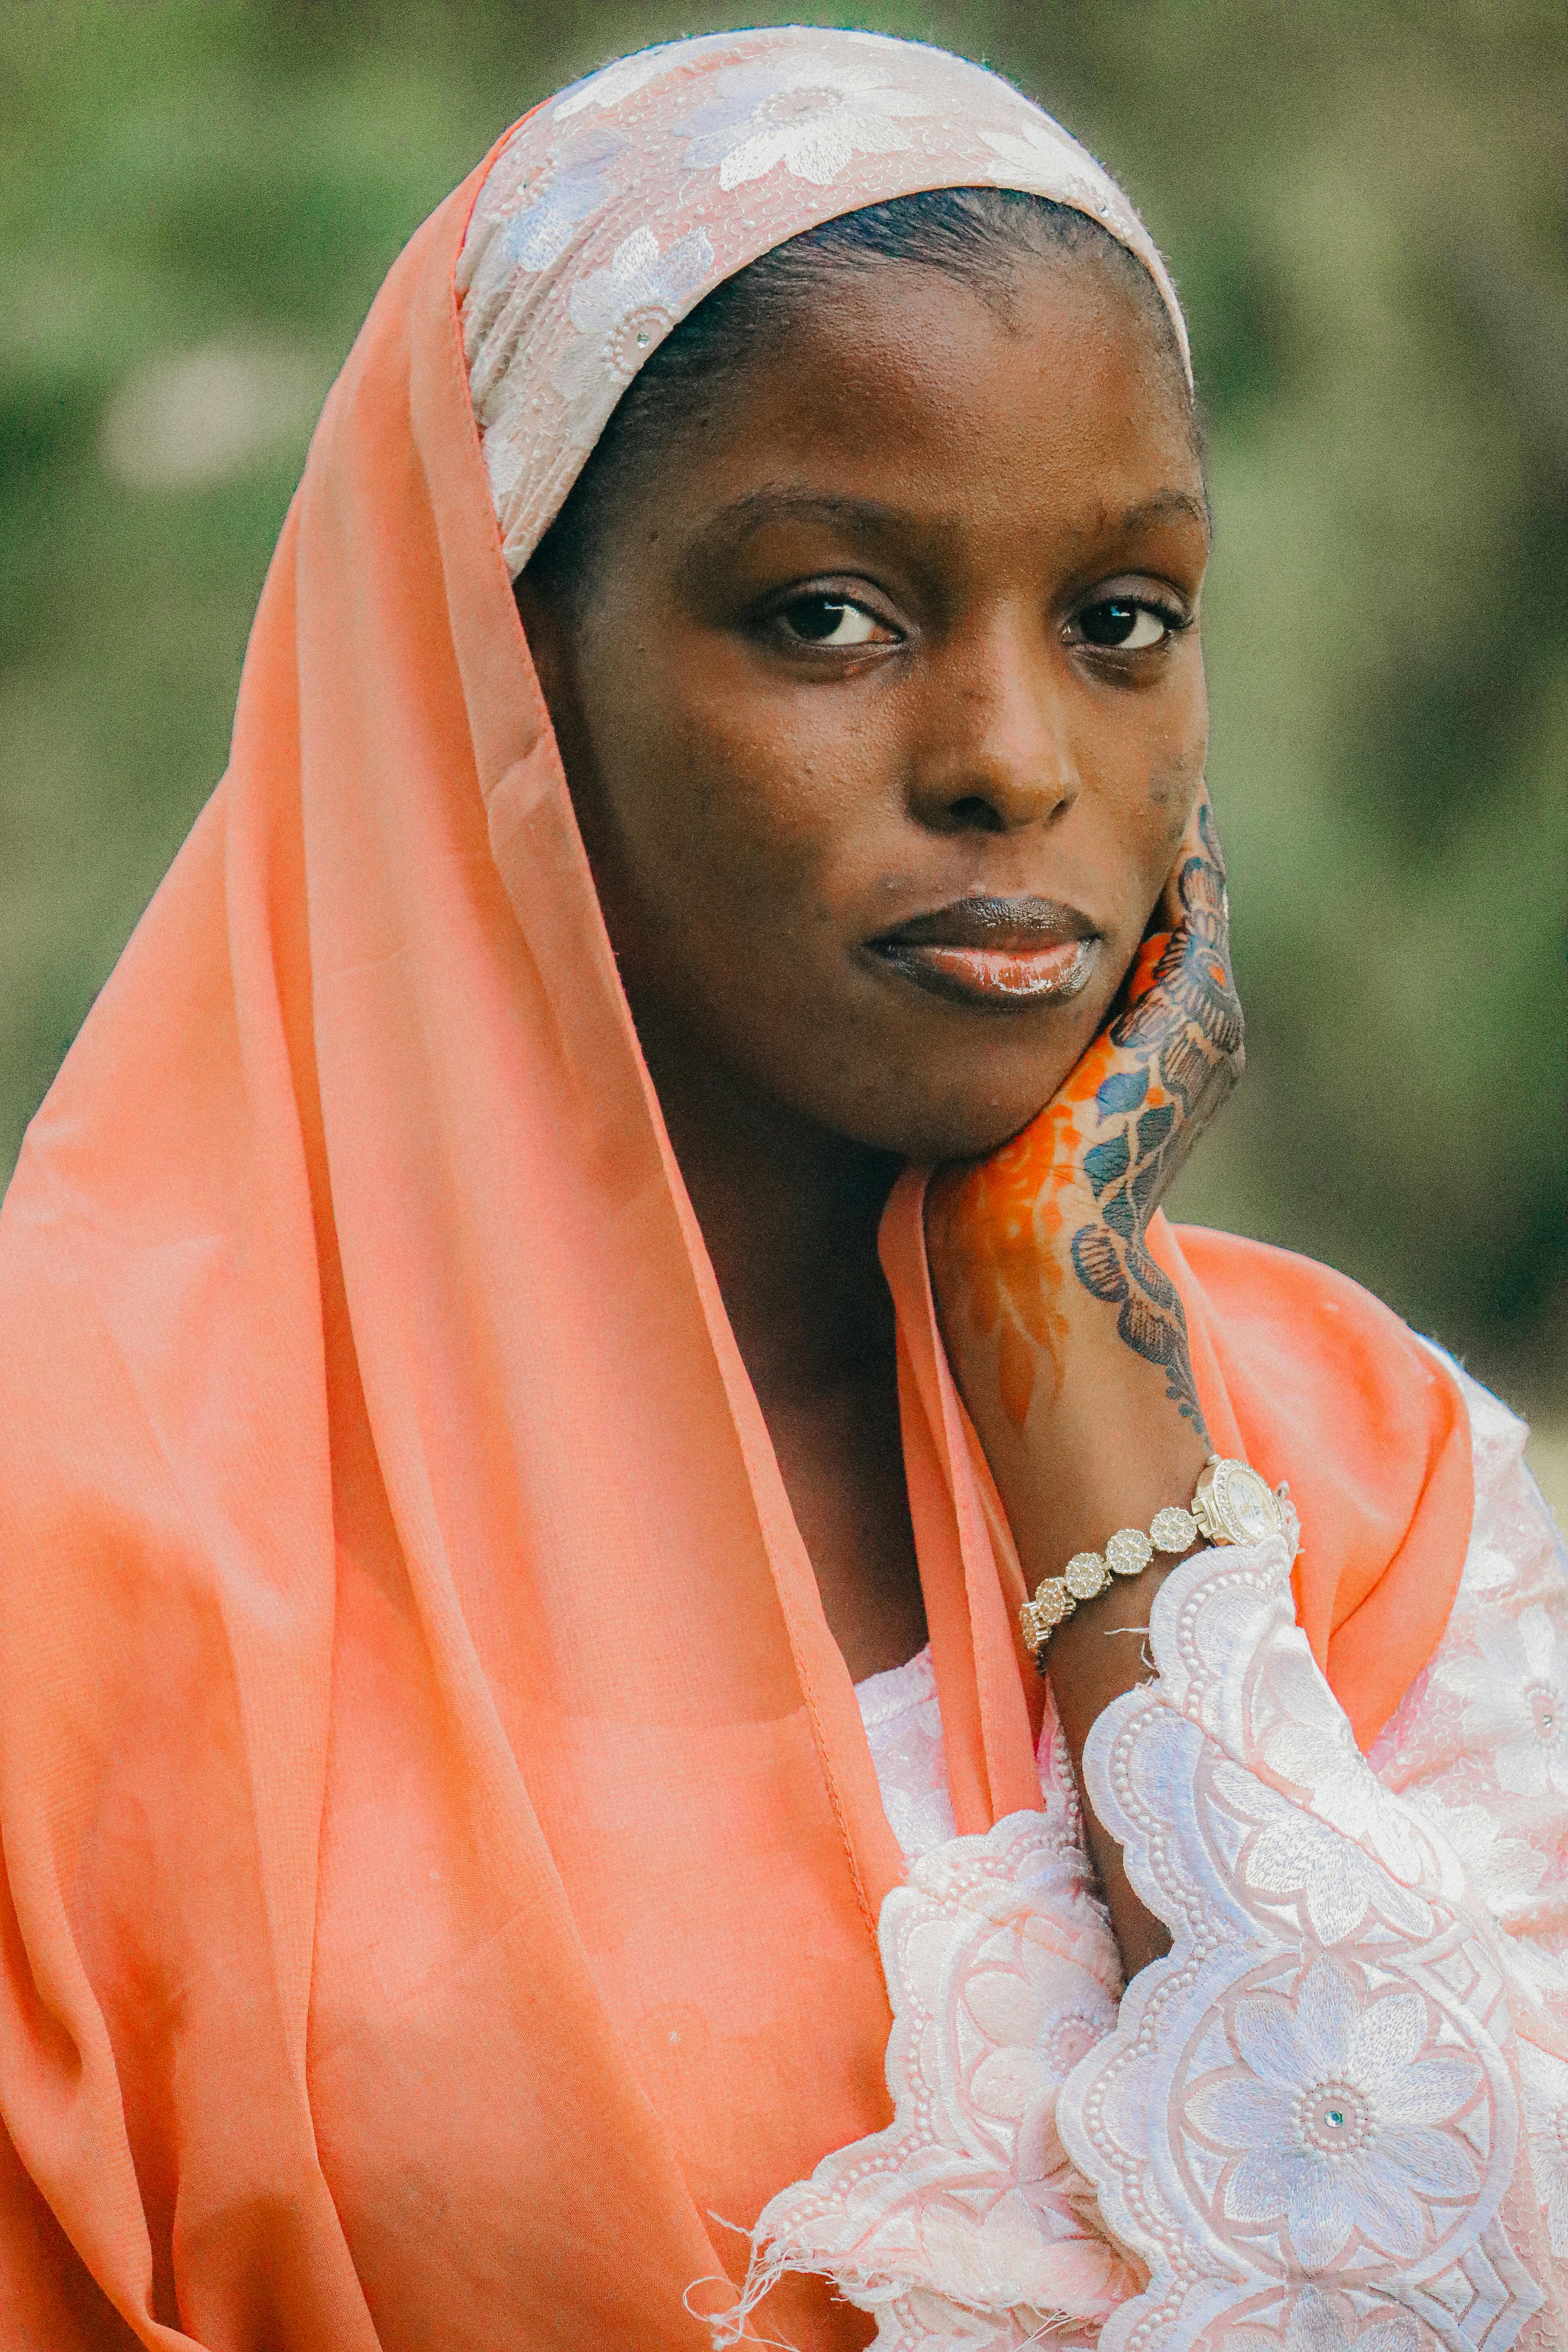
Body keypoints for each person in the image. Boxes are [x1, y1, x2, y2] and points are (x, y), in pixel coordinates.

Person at [0, 26, 1562, 2351]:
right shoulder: (85, 1523)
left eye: (1122, 619)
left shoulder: (1371, 1475)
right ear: (499, 683)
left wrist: (1086, 1393)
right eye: (829, 614)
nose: (1017, 763)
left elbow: (1472, 2282)